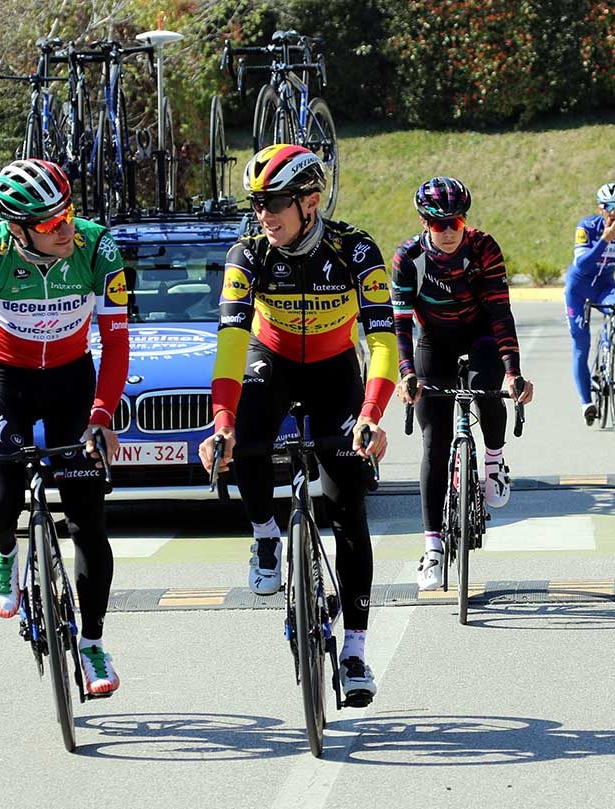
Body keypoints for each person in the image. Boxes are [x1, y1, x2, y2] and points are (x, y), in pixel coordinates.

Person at [198, 144, 395, 706]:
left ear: (310, 202)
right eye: (257, 203)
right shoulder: (248, 254)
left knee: (349, 508)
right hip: (272, 359)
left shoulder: (356, 249)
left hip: (335, 370)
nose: (264, 215)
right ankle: (266, 532)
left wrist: (371, 415)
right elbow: (231, 342)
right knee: (246, 442)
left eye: (275, 202)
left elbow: (382, 341)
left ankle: (354, 650)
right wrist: (222, 422)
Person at [0, 159, 128, 695]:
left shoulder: (97, 246)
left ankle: (92, 644)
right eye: (49, 223)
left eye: (67, 213)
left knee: (88, 520)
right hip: (6, 381)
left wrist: (100, 417)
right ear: (17, 230)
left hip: (71, 382)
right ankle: (4, 552)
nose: (65, 228)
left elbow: (116, 340)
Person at [391, 176, 534, 592]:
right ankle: (433, 547)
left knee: (488, 391)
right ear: (424, 223)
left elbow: (501, 313)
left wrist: (513, 371)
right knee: (434, 441)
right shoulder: (408, 258)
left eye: (456, 222)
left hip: (480, 333)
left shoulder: (483, 248)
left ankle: (493, 460)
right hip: (434, 341)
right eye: (440, 224)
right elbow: (400, 325)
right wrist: (406, 373)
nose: (449, 231)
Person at [565, 182, 615, 425]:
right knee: (581, 345)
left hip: (605, 286)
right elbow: (582, 265)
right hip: (578, 289)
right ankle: (587, 403)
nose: (613, 212)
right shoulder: (587, 227)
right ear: (600, 208)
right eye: (608, 206)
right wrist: (605, 239)